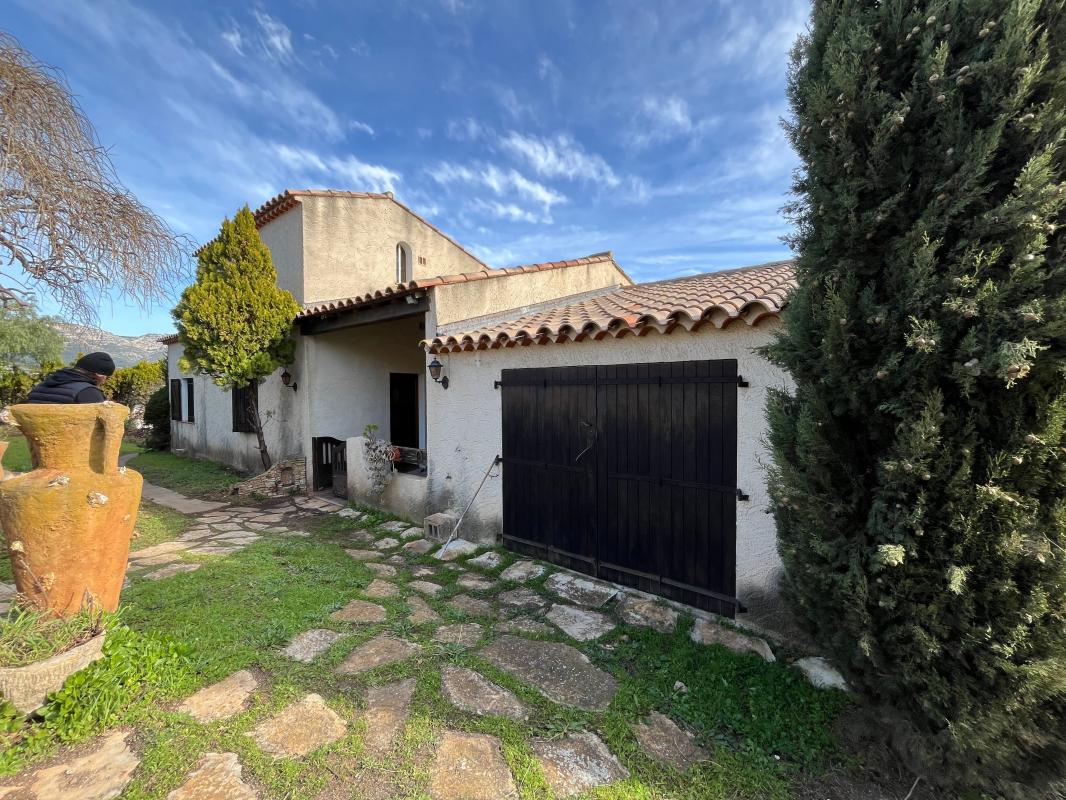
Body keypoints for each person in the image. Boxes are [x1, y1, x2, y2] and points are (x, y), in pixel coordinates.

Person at [27, 352, 116, 404]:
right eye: (107, 377)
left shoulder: (39, 387)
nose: (105, 381)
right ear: (99, 375)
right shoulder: (88, 392)